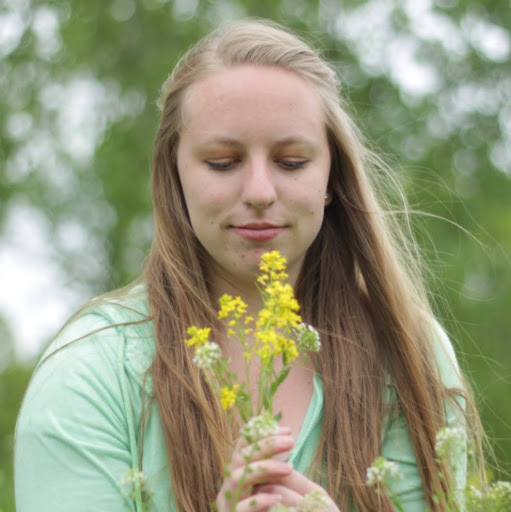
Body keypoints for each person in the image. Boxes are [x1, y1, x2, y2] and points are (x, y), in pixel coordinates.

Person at [15, 19, 483, 512]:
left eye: (291, 162)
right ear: (175, 176)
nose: (260, 192)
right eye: (222, 162)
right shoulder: (91, 373)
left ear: (332, 176)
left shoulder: (408, 352)